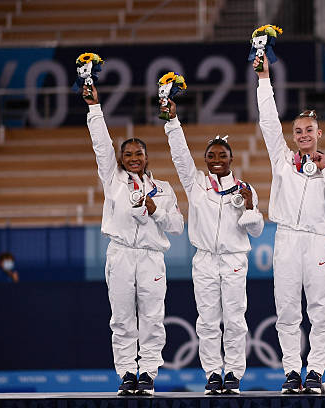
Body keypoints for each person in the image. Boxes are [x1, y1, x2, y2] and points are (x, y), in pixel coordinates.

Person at [254, 55, 325, 393]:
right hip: (286, 239)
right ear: (293, 136)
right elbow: (268, 121)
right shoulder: (282, 160)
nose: (303, 134)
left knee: (321, 309)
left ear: (319, 133)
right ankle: (292, 371)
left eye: (309, 130)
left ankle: (316, 373)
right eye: (298, 131)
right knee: (286, 309)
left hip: (316, 243)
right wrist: (264, 79)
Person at [83, 84, 184, 396]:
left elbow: (178, 226)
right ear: (121, 159)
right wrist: (95, 108)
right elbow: (101, 147)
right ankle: (127, 372)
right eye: (127, 154)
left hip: (152, 256)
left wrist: (157, 213)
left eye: (138, 153)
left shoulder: (164, 188)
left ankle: (148, 373)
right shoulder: (113, 180)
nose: (132, 158)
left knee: (153, 318)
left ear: (146, 155)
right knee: (122, 317)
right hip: (122, 254)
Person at [162, 100, 264, 395]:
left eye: (222, 155)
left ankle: (232, 373)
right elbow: (180, 155)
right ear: (205, 159)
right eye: (211, 155)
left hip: (233, 260)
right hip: (205, 259)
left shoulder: (245, 188)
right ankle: (211, 374)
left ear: (231, 159)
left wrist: (248, 206)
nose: (217, 159)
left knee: (234, 319)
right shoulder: (196, 184)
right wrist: (172, 122)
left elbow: (256, 230)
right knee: (207, 320)